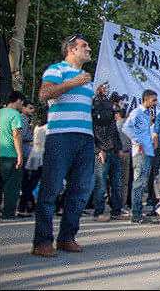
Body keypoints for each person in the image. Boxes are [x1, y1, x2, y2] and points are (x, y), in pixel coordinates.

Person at [33, 33, 95, 257]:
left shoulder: (87, 80)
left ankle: (67, 237)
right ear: (71, 49)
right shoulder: (56, 70)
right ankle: (42, 241)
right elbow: (44, 93)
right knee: (50, 188)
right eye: (84, 45)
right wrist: (71, 83)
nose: (88, 48)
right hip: (60, 137)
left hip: (85, 138)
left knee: (80, 190)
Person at [91, 83, 127, 221]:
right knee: (101, 183)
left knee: (116, 183)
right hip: (103, 152)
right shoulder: (95, 111)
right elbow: (94, 132)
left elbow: (114, 132)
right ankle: (98, 212)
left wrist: (118, 148)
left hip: (113, 150)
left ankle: (116, 210)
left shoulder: (110, 116)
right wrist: (98, 150)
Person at [123, 89, 158, 223]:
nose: (155, 103)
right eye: (153, 100)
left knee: (143, 183)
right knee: (138, 183)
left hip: (148, 152)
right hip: (140, 153)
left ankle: (138, 212)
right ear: (146, 99)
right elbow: (126, 127)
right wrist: (137, 142)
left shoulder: (147, 114)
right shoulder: (137, 112)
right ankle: (136, 214)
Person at [0, 91, 26, 220]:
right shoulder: (15, 115)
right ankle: (8, 213)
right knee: (11, 186)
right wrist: (20, 155)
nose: (22, 106)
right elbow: (16, 134)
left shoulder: (0, 111)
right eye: (22, 103)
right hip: (10, 155)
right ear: (17, 101)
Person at [16, 100, 36, 216]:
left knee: (27, 182)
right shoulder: (22, 119)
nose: (32, 111)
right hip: (23, 154)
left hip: (24, 153)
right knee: (26, 182)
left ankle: (28, 205)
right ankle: (24, 206)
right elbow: (22, 135)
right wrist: (32, 137)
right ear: (23, 108)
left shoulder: (24, 119)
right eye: (30, 108)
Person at [116, 106, 133, 211]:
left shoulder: (115, 126)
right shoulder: (128, 128)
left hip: (116, 153)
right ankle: (122, 203)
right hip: (126, 154)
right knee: (124, 181)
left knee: (116, 181)